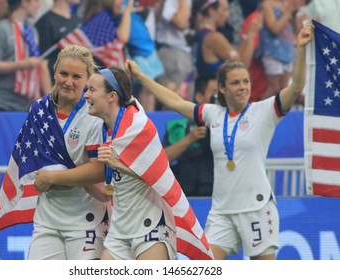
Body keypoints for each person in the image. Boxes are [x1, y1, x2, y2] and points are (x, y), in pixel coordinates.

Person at [126, 23, 314, 260]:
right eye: (235, 83)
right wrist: (141, 76)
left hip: (256, 209)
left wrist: (300, 49)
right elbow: (174, 101)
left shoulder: (264, 111)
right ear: (222, 88)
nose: (242, 87)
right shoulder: (212, 114)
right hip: (222, 211)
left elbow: (296, 87)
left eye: (245, 82)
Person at [84, 66, 212, 260]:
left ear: (111, 96)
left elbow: (157, 173)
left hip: (150, 228)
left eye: (92, 90)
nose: (86, 95)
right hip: (119, 231)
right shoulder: (100, 129)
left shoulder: (139, 126)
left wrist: (118, 164)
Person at [26, 45, 111, 260]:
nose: (68, 82)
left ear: (88, 79)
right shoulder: (38, 109)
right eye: (63, 74)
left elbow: (97, 170)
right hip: (47, 220)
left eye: (76, 76)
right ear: (54, 72)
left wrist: (53, 177)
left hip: (86, 222)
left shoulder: (93, 114)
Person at [0, 0, 51, 111]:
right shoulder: (1, 28)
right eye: (35, 1)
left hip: (24, 105)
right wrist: (22, 64)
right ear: (24, 3)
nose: (38, 5)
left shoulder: (32, 31)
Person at [162, 74, 217, 197]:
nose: (218, 98)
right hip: (183, 195)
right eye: (214, 93)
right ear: (199, 97)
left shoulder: (228, 128)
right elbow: (161, 159)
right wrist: (190, 138)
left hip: (216, 194)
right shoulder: (178, 127)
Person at [35, 0, 82, 84]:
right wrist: (49, 95)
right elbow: (42, 63)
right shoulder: (45, 22)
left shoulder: (78, 20)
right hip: (56, 84)